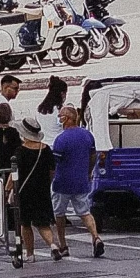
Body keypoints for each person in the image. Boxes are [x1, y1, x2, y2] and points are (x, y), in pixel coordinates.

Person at [50, 103, 103, 259]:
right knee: (85, 212)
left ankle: (63, 245)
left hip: (63, 182)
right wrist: (88, 172)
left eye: (60, 116)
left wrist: (50, 179)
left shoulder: (60, 140)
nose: (59, 119)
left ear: (66, 118)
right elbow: (93, 156)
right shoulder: (87, 135)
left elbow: (55, 164)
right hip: (81, 180)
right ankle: (96, 237)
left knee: (59, 214)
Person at [9, 116, 58, 266]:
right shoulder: (46, 149)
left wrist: (7, 189)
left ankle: (30, 254)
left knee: (26, 223)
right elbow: (52, 171)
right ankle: (53, 245)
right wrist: (46, 183)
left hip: (25, 191)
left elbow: (13, 174)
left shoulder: (20, 151)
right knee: (43, 223)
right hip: (42, 190)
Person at [38, 76, 70, 144]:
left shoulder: (39, 110)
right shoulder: (61, 110)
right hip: (58, 144)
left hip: (44, 143)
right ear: (62, 94)